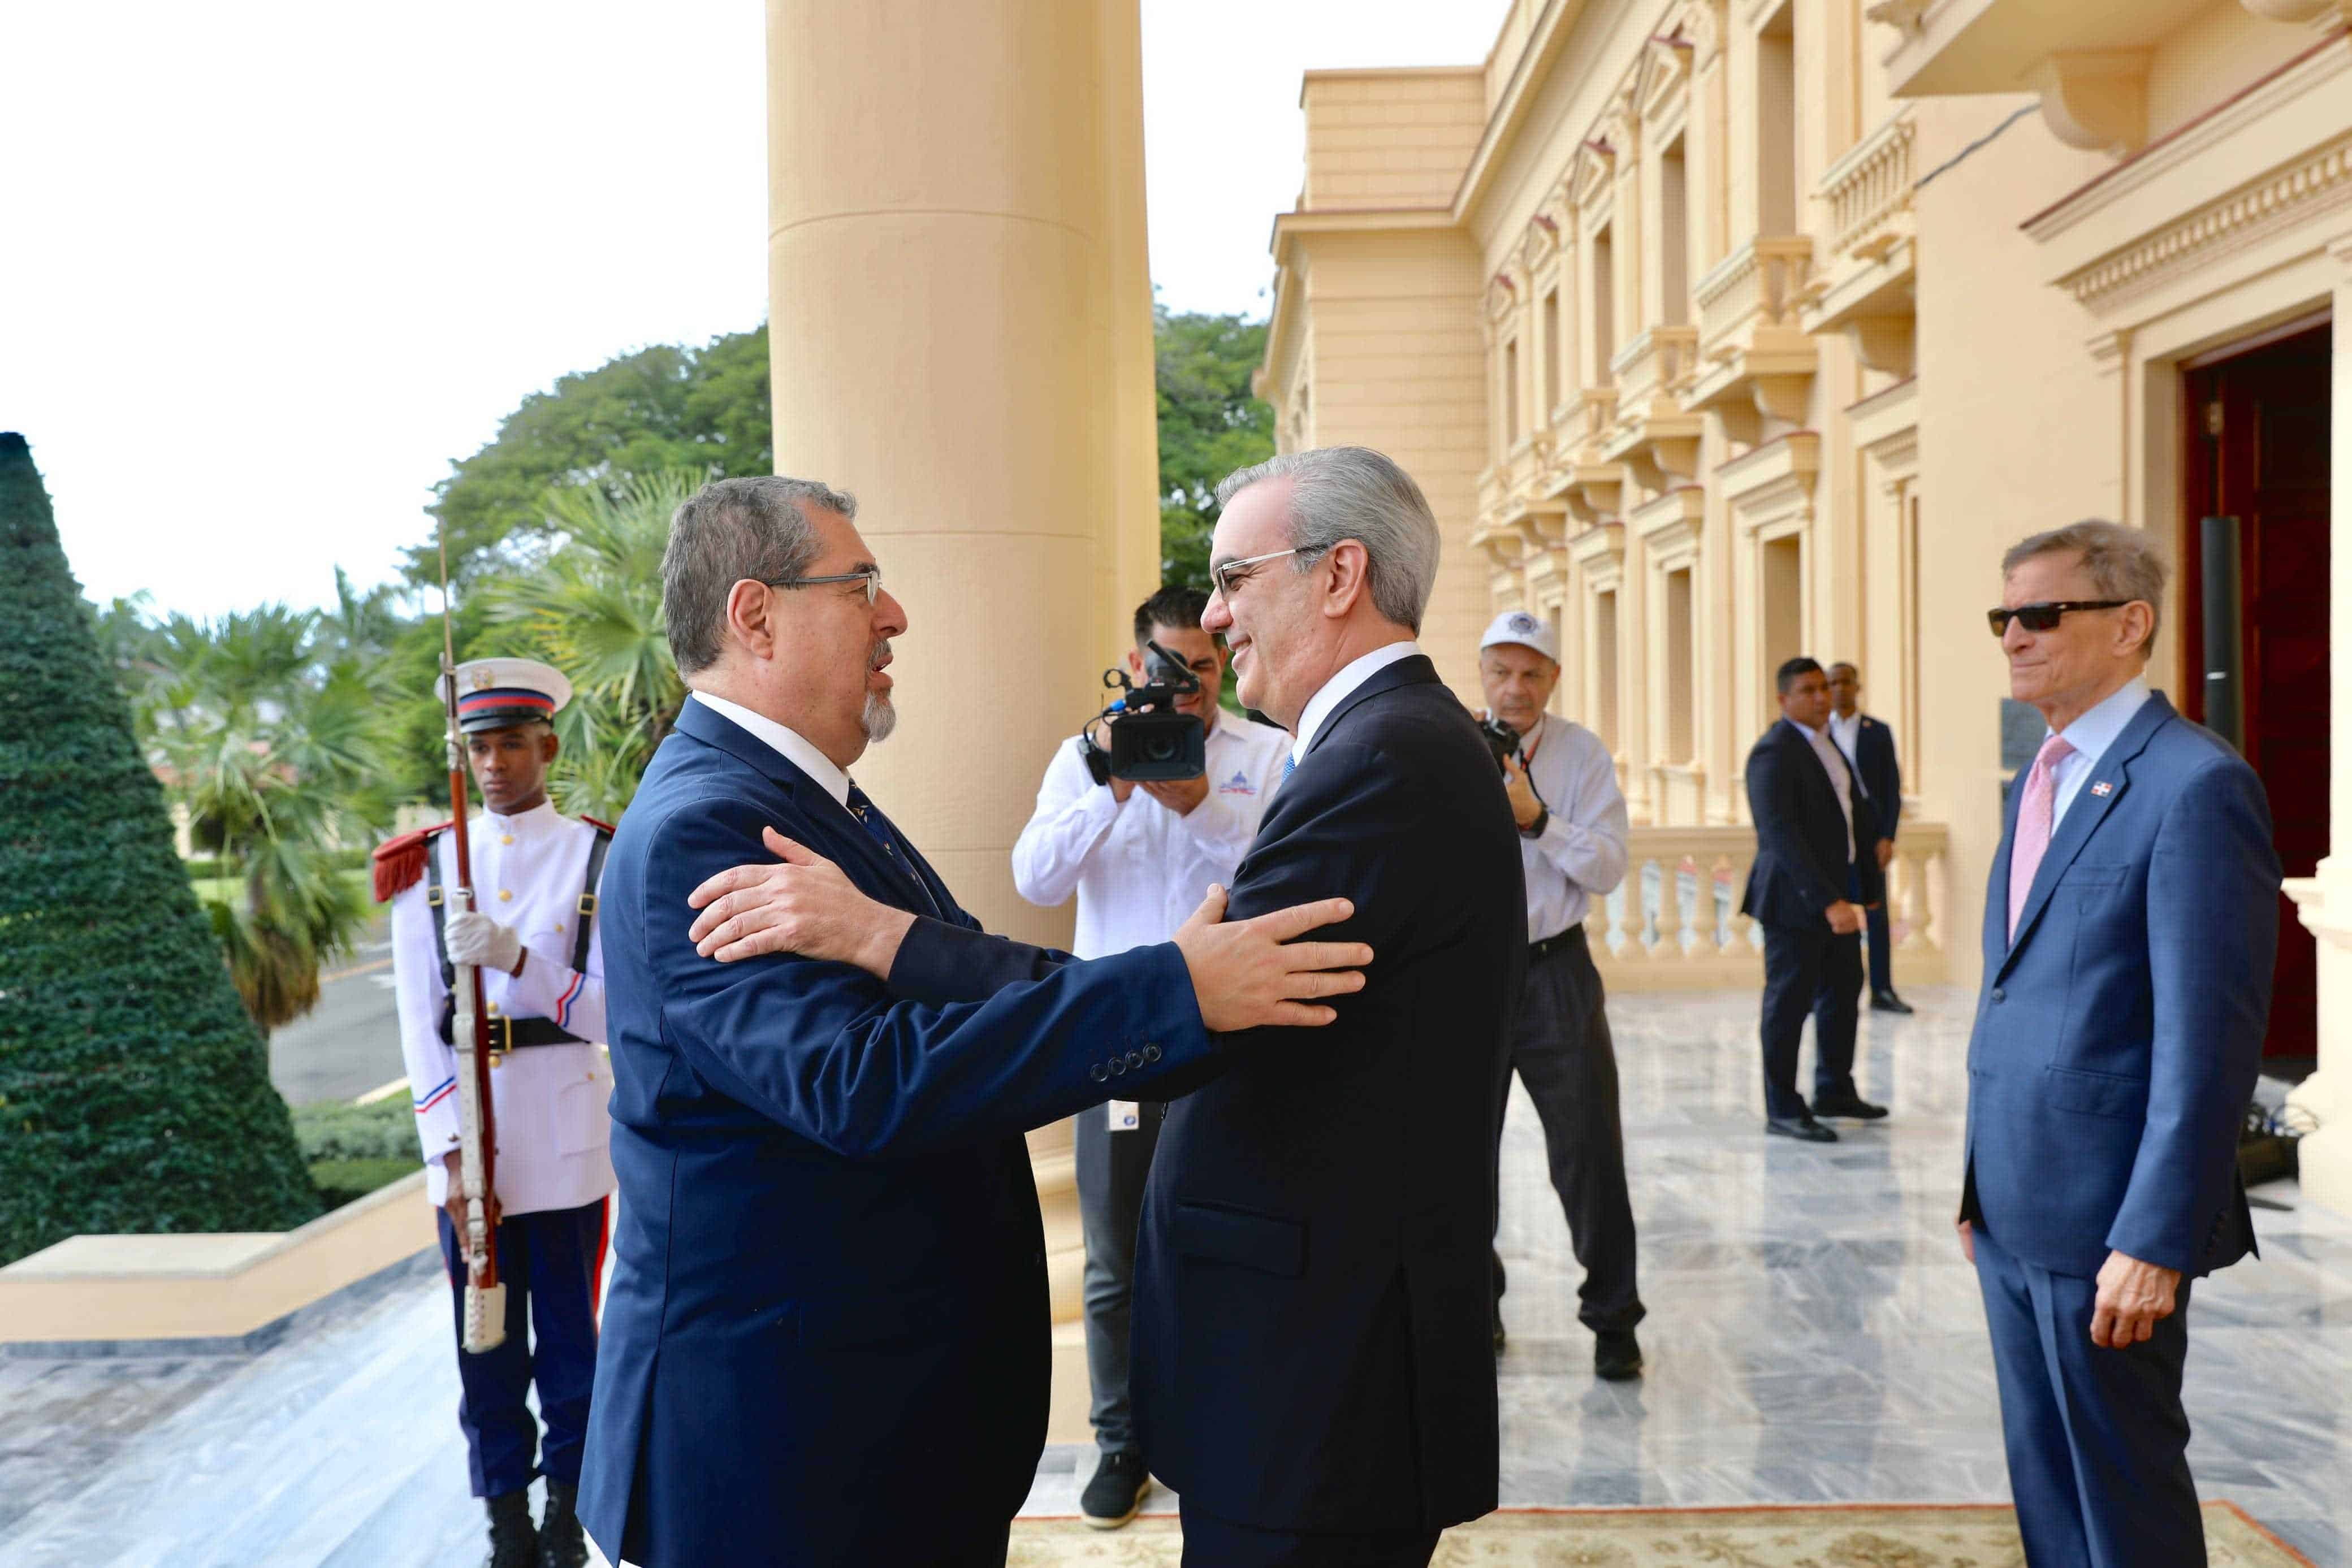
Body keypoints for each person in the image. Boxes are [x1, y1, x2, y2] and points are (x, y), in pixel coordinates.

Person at [573, 476, 1373, 1568]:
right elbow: (860, 1083)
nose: (893, 614)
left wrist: (1167, 976)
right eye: (861, 586)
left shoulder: (804, 794)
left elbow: (962, 982)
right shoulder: (704, 826)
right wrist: (1172, 990)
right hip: (781, 1458)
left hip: (870, 1437)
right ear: (754, 614)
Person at [1129, 447, 1527, 1568]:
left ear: (1339, 574)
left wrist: (893, 946)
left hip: (1315, 1372)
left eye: (1233, 578)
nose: (1212, 615)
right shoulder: (1386, 742)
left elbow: (1193, 1013)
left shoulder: (1383, 759)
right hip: (1322, 1355)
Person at [1959, 519, 2276, 1568]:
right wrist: (1978, 1186)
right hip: (2015, 1206)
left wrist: (2155, 1236)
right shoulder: (2041, 773)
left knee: (2122, 1489)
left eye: (2042, 613)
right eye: (2005, 615)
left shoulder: (2193, 784)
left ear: (2131, 625)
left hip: (2109, 1224)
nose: (2014, 635)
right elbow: (2021, 994)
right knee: (2048, 1480)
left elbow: (2208, 1039)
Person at [1009, 583, 1288, 1529]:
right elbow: (1035, 875)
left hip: (1231, 1037)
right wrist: (1110, 780)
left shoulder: (1268, 753)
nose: (1191, 690)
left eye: (1205, 671)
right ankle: (1121, 1438)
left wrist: (1198, 799)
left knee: (1231, 1239)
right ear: (1136, 667)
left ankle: (1224, 1426)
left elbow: (1274, 875)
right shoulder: (1082, 757)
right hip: (1117, 1044)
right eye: (1170, 671)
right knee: (1114, 1257)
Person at [373, 657, 615, 1568]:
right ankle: (505, 1523)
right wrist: (450, 1157)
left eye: (513, 742)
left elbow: (613, 1015)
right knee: (486, 1348)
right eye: (479, 746)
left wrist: (521, 960)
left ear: (547, 745)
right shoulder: (429, 865)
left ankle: (567, 1514)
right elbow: (416, 1028)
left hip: (564, 1144)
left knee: (572, 1349)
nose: (496, 762)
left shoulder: (599, 855)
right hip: (474, 1150)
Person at [1475, 609, 1642, 1380]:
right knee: (1459, 1157)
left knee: (1588, 1151)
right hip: (1469, 971)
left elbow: (1608, 868)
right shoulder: (1448, 747)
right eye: (1503, 671)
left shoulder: (1582, 755)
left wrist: (1538, 820)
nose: (1516, 688)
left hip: (1556, 972)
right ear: (1482, 675)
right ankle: (1477, 1310)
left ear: (1554, 679)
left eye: (1531, 672)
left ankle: (1614, 1318)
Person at [1740, 657, 1886, 1143]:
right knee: (1788, 1005)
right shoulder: (1773, 752)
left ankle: (1834, 1090)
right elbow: (1780, 836)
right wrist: (1828, 902)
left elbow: (1853, 819)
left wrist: (1865, 891)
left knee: (1844, 992)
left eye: (1824, 688)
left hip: (1840, 894)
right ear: (1784, 700)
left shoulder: (1828, 746)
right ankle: (1781, 1107)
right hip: (1794, 902)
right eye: (1808, 690)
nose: (1822, 697)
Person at [1824, 661, 1911, 1014]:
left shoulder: (1878, 731)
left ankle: (1882, 989)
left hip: (1870, 836)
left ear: (1857, 687)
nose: (1840, 689)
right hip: (1832, 835)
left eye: (1846, 682)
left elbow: (1892, 788)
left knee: (1876, 913)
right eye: (1833, 684)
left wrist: (1887, 836)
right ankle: (1829, 988)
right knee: (1831, 911)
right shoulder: (1819, 734)